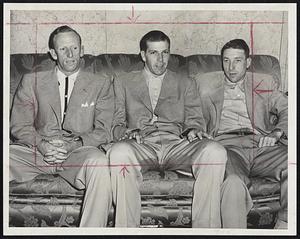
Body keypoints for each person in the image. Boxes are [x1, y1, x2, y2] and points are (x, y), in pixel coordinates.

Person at [108, 30, 249, 228]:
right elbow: (115, 122)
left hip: (177, 144)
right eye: (154, 53)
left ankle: (205, 231)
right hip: (141, 144)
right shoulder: (123, 81)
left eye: (165, 53)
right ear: (143, 55)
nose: (160, 60)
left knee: (214, 150)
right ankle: (127, 230)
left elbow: (195, 118)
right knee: (118, 152)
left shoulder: (185, 81)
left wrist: (192, 129)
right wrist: (127, 132)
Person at [9, 25, 114, 227]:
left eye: (74, 48)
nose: (70, 54)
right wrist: (41, 145)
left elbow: (104, 130)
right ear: (53, 53)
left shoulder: (101, 83)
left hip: (78, 152)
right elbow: (19, 125)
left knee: (99, 163)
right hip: (36, 152)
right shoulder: (32, 81)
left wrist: (71, 146)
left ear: (82, 50)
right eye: (63, 49)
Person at [194, 39, 288, 229]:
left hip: (262, 145)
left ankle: (286, 224)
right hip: (227, 147)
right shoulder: (204, 82)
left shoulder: (264, 81)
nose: (231, 67)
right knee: (233, 183)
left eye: (237, 61)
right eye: (226, 61)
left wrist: (277, 133)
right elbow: (188, 112)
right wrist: (197, 131)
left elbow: (288, 108)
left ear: (248, 62)